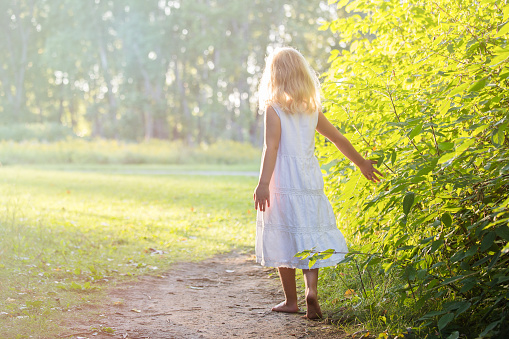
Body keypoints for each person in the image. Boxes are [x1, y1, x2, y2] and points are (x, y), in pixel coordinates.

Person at [253, 47, 382, 320]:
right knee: (308, 231)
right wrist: (361, 163)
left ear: (274, 76)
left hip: (282, 180)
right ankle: (312, 290)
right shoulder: (311, 109)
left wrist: (264, 183)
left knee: (283, 233)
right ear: (302, 74)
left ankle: (292, 301)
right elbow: (338, 139)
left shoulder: (273, 109)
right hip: (309, 179)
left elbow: (271, 148)